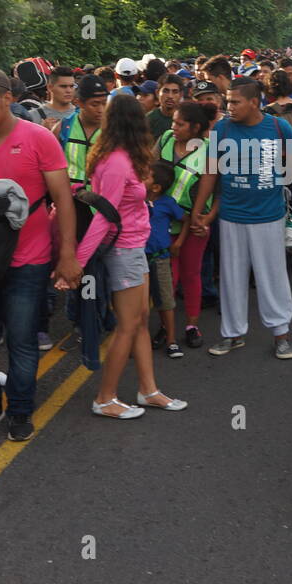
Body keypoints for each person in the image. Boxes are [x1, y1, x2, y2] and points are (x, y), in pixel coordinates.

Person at [0, 67, 82, 440]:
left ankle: (21, 411)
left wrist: (68, 255)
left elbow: (63, 200)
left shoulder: (39, 139)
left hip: (28, 260)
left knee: (22, 340)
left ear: (8, 98)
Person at [77, 95, 185, 418]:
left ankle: (148, 390)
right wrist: (77, 263)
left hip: (135, 246)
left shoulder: (123, 157)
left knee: (139, 321)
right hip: (123, 248)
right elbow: (104, 215)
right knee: (127, 325)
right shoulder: (116, 163)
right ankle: (105, 397)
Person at [191, 77, 292, 360]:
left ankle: (281, 335)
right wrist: (198, 211)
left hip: (269, 216)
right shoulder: (222, 128)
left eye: (235, 102)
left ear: (254, 102)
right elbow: (210, 173)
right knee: (231, 277)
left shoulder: (279, 127)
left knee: (272, 275)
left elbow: (290, 169)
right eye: (228, 101)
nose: (229, 107)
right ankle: (232, 334)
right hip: (231, 216)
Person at [159, 100, 212, 348]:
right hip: (162, 222)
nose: (174, 127)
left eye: (180, 124)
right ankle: (165, 326)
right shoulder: (165, 139)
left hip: (194, 225)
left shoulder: (210, 151)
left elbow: (214, 192)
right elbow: (149, 172)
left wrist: (204, 220)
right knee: (168, 277)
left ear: (195, 128)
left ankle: (192, 325)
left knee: (191, 274)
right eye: (173, 122)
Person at [145, 160, 186, 358]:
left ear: (156, 187)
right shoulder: (137, 198)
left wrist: (178, 243)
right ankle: (139, 341)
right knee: (140, 304)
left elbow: (185, 220)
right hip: (138, 257)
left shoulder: (167, 203)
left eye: (146, 176)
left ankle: (171, 340)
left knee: (166, 301)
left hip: (160, 258)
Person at [61, 75, 106, 187]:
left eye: (104, 103)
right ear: (79, 103)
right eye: (94, 104)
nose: (101, 110)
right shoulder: (63, 128)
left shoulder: (113, 130)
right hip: (70, 198)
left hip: (101, 200)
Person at [146, 74, 182, 139]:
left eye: (175, 92)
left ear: (181, 95)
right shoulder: (148, 120)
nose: (170, 96)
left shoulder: (187, 119)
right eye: (166, 91)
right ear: (157, 93)